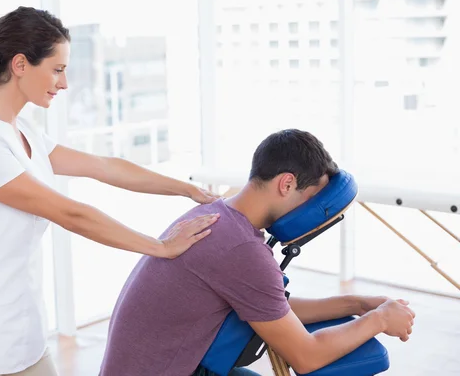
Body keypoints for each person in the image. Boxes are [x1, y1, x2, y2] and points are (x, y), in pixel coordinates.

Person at [0, 6, 221, 376]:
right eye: (57, 69)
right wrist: (160, 247)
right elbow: (69, 213)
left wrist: (187, 190)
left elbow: (104, 166)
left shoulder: (23, 131)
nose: (63, 84)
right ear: (20, 65)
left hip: (21, 333)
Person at [99, 129, 416, 376]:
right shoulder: (241, 249)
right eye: (311, 198)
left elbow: (271, 308)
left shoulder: (217, 215)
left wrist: (358, 303)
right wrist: (380, 320)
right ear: (287, 184)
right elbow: (306, 355)